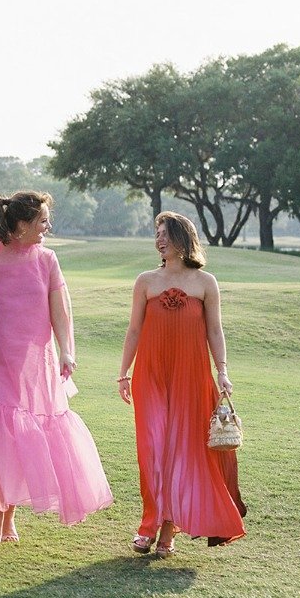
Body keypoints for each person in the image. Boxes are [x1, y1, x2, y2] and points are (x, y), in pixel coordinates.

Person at [0, 191, 113, 542]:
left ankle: (9, 516)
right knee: (8, 433)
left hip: (39, 361)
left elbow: (61, 310)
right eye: (42, 221)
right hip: (2, 359)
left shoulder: (47, 259)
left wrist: (68, 350)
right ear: (20, 225)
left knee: (28, 435)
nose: (48, 227)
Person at [117, 211, 246, 557]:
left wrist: (222, 371)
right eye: (156, 234)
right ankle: (148, 523)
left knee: (183, 452)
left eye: (165, 233)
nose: (159, 240)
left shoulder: (206, 283)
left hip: (191, 375)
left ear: (182, 238)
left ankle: (168, 533)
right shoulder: (145, 281)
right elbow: (133, 331)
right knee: (152, 451)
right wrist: (123, 373)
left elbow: (215, 331)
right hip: (151, 375)